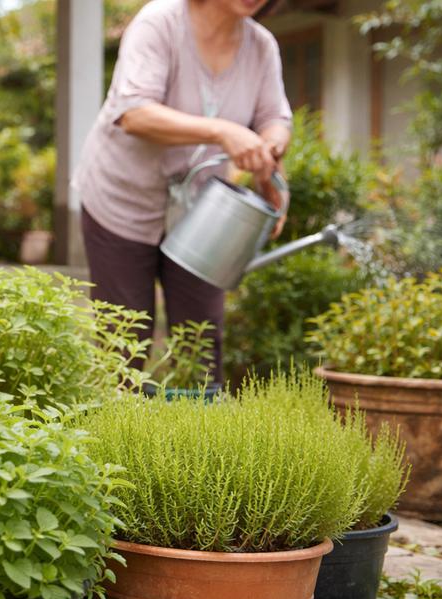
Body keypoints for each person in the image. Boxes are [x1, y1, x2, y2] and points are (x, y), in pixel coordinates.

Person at [75, 0, 292, 384]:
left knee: (201, 345)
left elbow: (274, 117)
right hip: (120, 200)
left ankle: (200, 442)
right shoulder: (159, 23)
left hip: (203, 213)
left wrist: (268, 152)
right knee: (124, 344)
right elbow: (134, 113)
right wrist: (222, 130)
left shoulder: (261, 46)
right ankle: (114, 438)